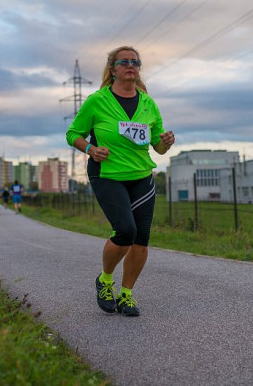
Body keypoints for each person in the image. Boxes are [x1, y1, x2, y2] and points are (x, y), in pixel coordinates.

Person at [66, 46, 175, 317]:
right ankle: (105, 281)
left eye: (135, 62)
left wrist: (166, 142)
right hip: (108, 175)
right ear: (112, 69)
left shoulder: (148, 103)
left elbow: (158, 147)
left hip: (141, 176)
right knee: (125, 231)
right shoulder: (97, 101)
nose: (130, 65)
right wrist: (91, 149)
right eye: (124, 62)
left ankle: (126, 295)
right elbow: (73, 134)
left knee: (141, 238)